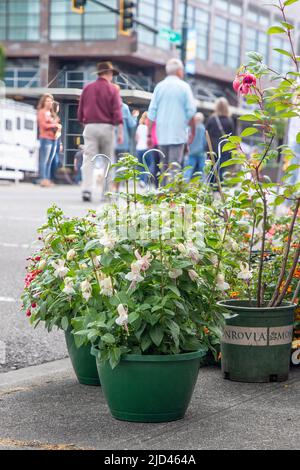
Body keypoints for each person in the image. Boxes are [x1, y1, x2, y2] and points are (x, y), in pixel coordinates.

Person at [77, 61, 123, 202]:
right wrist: (120, 130)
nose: (112, 77)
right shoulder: (113, 89)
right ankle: (107, 193)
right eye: (111, 74)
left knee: (89, 159)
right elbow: (117, 112)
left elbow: (80, 111)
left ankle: (86, 190)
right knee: (108, 160)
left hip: (90, 126)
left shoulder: (87, 88)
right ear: (108, 74)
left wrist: (84, 124)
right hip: (107, 127)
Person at [147, 58, 196, 172]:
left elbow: (152, 112)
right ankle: (172, 190)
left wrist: (149, 135)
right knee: (174, 167)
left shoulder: (159, 87)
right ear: (179, 71)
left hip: (162, 135)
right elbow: (190, 111)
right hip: (178, 135)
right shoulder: (184, 87)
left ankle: (164, 189)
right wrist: (192, 132)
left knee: (163, 168)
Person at [205, 97, 235, 182]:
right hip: (224, 148)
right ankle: (219, 189)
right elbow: (232, 136)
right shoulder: (229, 120)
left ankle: (211, 189)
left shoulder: (211, 119)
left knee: (212, 170)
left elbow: (206, 134)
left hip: (212, 148)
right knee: (221, 170)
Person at [37, 93, 59, 187]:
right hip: (45, 138)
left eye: (51, 101)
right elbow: (43, 125)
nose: (49, 103)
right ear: (43, 102)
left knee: (50, 161)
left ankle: (47, 179)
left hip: (54, 138)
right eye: (47, 101)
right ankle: (43, 179)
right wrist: (55, 125)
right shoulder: (41, 112)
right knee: (44, 160)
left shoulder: (51, 113)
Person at [184, 112, 206, 182]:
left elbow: (186, 139)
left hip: (191, 151)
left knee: (189, 169)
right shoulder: (203, 128)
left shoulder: (190, 128)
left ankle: (185, 183)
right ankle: (202, 185)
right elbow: (204, 141)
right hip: (201, 152)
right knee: (202, 169)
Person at [49, 101, 62, 183]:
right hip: (52, 138)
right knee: (53, 158)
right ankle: (51, 176)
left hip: (57, 138)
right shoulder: (51, 116)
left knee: (56, 159)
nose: (58, 109)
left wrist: (60, 143)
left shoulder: (56, 116)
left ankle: (53, 175)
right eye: (57, 107)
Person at [136, 111, 150, 185]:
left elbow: (137, 138)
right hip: (146, 148)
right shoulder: (148, 128)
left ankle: (141, 180)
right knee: (147, 165)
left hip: (139, 148)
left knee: (140, 165)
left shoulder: (139, 127)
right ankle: (145, 181)